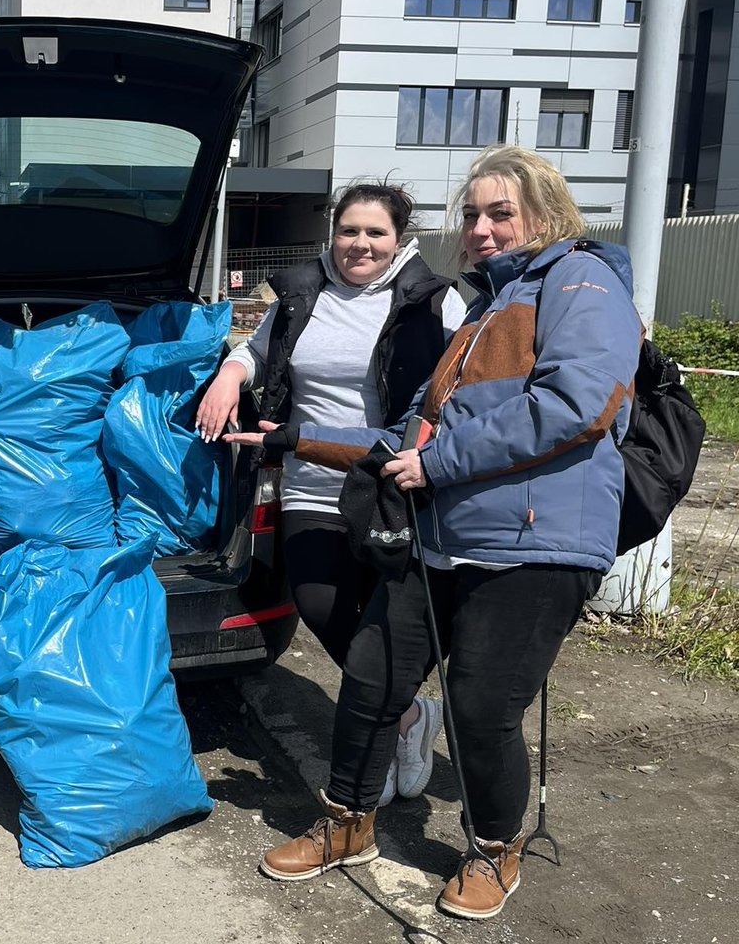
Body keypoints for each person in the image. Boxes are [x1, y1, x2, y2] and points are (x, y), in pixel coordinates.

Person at [227, 145, 642, 919]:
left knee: (482, 706)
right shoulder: (485, 308)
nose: (481, 229)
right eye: (473, 215)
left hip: (536, 542)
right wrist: (293, 440)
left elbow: (573, 404)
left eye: (500, 213)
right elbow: (407, 430)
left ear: (546, 213)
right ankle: (348, 822)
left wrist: (440, 458)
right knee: (375, 674)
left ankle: (492, 848)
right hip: (444, 534)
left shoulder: (582, 281)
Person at [197, 181, 466, 807]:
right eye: (349, 231)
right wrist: (228, 377)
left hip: (389, 483)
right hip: (310, 479)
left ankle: (386, 720)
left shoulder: (436, 301)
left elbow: (464, 377)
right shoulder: (301, 292)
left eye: (375, 232)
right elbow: (257, 351)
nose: (360, 244)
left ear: (401, 240)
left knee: (383, 622)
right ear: (332, 234)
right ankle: (406, 718)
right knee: (321, 604)